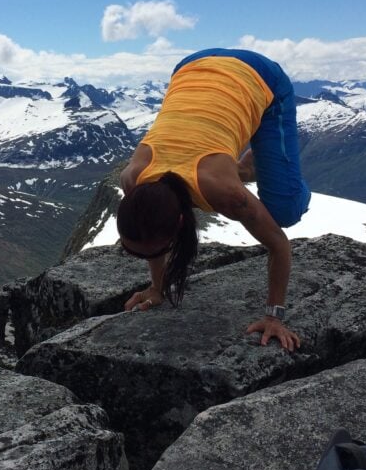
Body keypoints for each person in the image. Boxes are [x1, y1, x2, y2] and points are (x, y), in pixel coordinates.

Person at [117, 48, 311, 351]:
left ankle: (283, 166)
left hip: (261, 76)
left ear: (181, 221)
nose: (147, 257)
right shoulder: (133, 180)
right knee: (216, 166)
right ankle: (248, 167)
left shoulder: (225, 194)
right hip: (189, 67)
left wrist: (274, 317)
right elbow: (152, 227)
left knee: (284, 210)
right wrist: (157, 288)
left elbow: (279, 245)